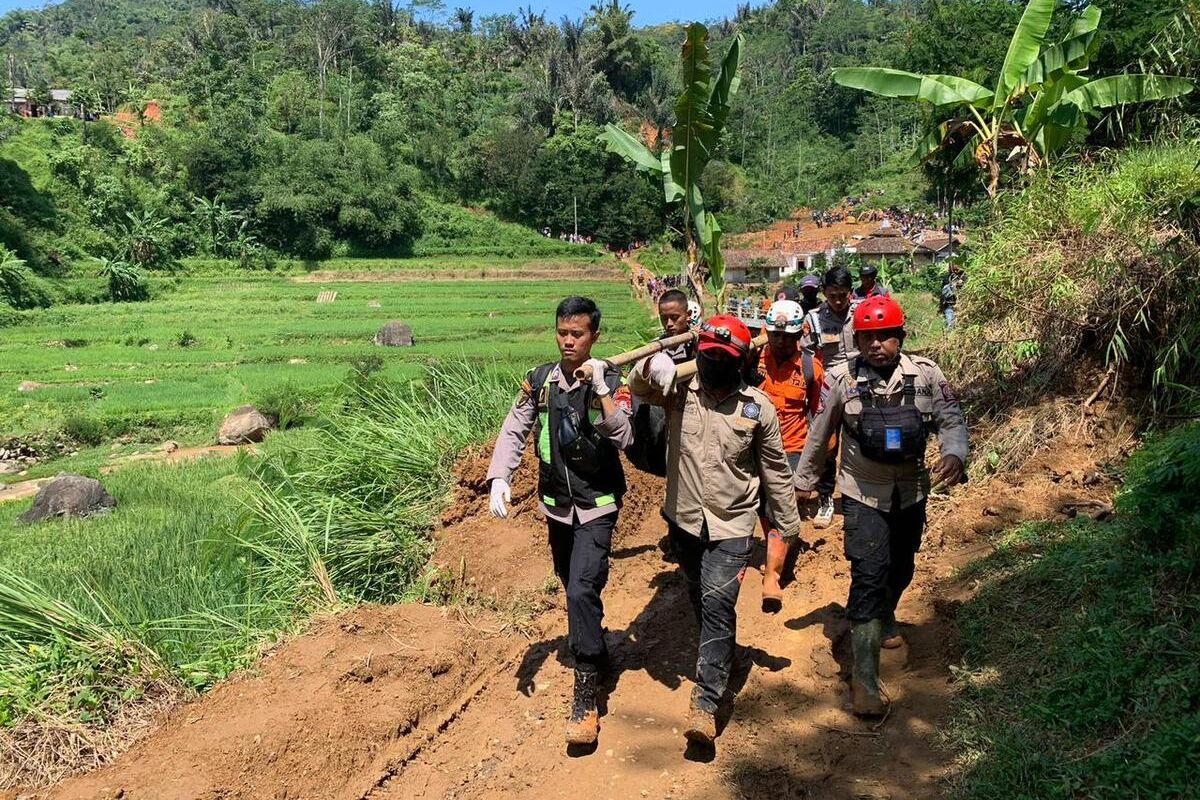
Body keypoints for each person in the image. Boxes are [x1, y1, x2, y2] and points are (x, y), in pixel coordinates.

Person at [630, 315, 800, 746]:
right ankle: (724, 653)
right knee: (699, 596)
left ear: (741, 362)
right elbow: (638, 388)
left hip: (733, 525)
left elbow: (776, 473)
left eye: (723, 359)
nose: (713, 366)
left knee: (718, 602)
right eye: (708, 357)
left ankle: (706, 703)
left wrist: (787, 525)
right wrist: (651, 366)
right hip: (684, 520)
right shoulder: (679, 392)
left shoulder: (756, 408)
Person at [794, 295, 967, 718]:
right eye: (868, 337)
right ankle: (865, 679)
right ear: (859, 338)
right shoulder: (842, 379)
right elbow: (820, 433)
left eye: (885, 336)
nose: (876, 345)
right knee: (868, 577)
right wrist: (804, 481)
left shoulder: (926, 374)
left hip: (911, 491)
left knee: (903, 566)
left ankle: (887, 614)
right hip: (861, 492)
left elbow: (951, 417)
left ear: (900, 337)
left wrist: (954, 454)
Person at [486, 296, 633, 746]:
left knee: (580, 589)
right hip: (557, 506)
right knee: (573, 584)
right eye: (563, 333)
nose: (569, 342)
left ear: (594, 336)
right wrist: (499, 476)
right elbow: (516, 427)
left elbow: (625, 435)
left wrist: (603, 389)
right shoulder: (540, 381)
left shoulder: (610, 378)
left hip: (597, 503)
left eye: (578, 334)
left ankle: (585, 694)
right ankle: (598, 646)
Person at [753, 299, 823, 612]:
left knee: (781, 507)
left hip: (792, 447)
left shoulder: (811, 368)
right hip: (754, 446)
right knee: (763, 509)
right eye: (776, 335)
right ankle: (777, 547)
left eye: (789, 336)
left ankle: (773, 576)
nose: (781, 342)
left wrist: (816, 466)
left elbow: (819, 414)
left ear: (800, 336)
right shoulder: (752, 361)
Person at [801, 266, 858, 529]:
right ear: (825, 293)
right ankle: (825, 500)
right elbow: (807, 357)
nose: (837, 301)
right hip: (827, 390)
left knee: (858, 443)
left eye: (843, 295)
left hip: (860, 386)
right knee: (827, 446)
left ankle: (854, 498)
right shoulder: (813, 319)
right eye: (832, 295)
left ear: (851, 292)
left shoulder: (861, 313)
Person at [657, 289, 698, 364]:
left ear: (688, 315)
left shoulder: (697, 343)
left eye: (675, 317)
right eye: (664, 318)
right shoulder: (658, 347)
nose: (669, 324)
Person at [941, 261, 966, 329]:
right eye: (954, 268)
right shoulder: (947, 278)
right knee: (950, 325)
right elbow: (943, 293)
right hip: (949, 305)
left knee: (961, 326)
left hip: (963, 306)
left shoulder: (965, 277)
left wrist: (962, 285)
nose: (956, 269)